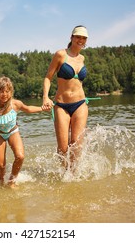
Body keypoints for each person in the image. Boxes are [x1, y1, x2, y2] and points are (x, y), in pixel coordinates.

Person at [0, 76, 48, 187]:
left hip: (13, 131)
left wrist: (42, 108)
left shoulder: (16, 104)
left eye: (7, 91)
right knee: (1, 164)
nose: (4, 94)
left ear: (11, 92)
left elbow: (28, 109)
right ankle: (2, 183)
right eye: (1, 91)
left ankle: (12, 181)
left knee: (20, 156)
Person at [42, 25, 89, 170]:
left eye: (83, 38)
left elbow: (77, 82)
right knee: (63, 148)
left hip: (80, 104)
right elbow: (48, 78)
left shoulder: (82, 58)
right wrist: (45, 97)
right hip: (62, 105)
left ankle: (74, 175)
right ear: (72, 37)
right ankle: (65, 173)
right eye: (78, 37)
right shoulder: (60, 55)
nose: (80, 40)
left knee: (76, 144)